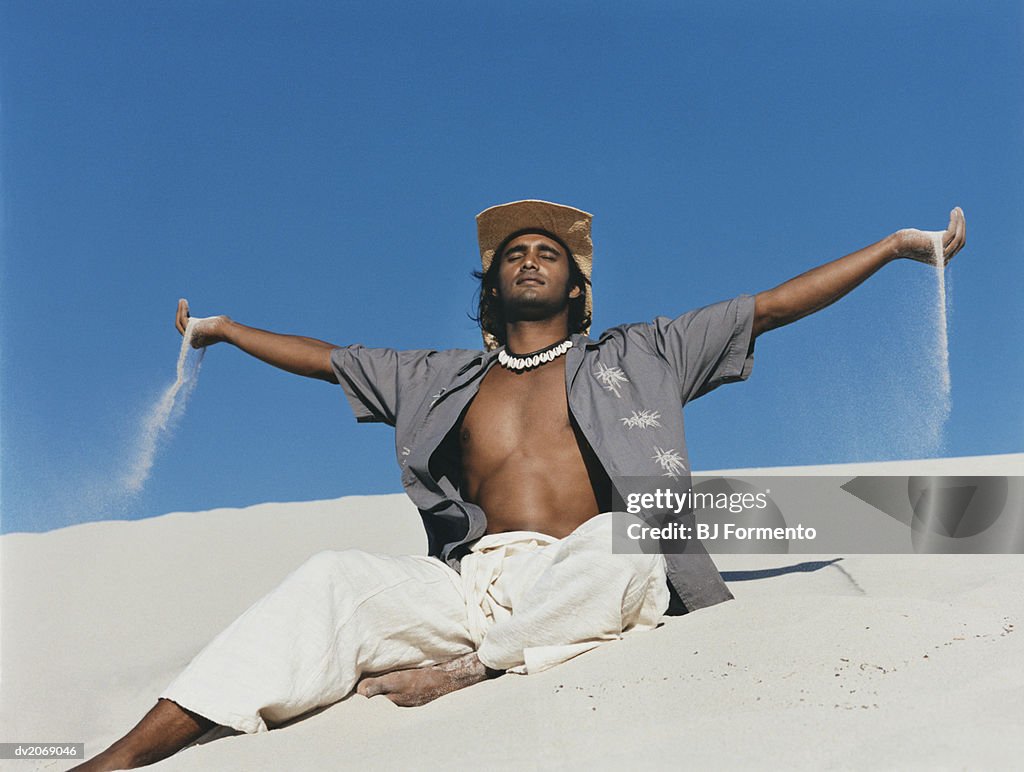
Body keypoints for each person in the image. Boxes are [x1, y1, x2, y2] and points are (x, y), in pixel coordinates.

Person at [74, 200, 966, 770]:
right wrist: (227, 333)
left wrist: (891, 247)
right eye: (512, 255)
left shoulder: (644, 352)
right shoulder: (436, 378)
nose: (529, 259)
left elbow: (771, 306)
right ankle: (123, 755)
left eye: (548, 253)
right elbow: (326, 359)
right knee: (330, 580)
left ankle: (470, 674)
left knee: (635, 538)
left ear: (579, 291)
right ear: (491, 288)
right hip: (471, 581)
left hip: (585, 570)